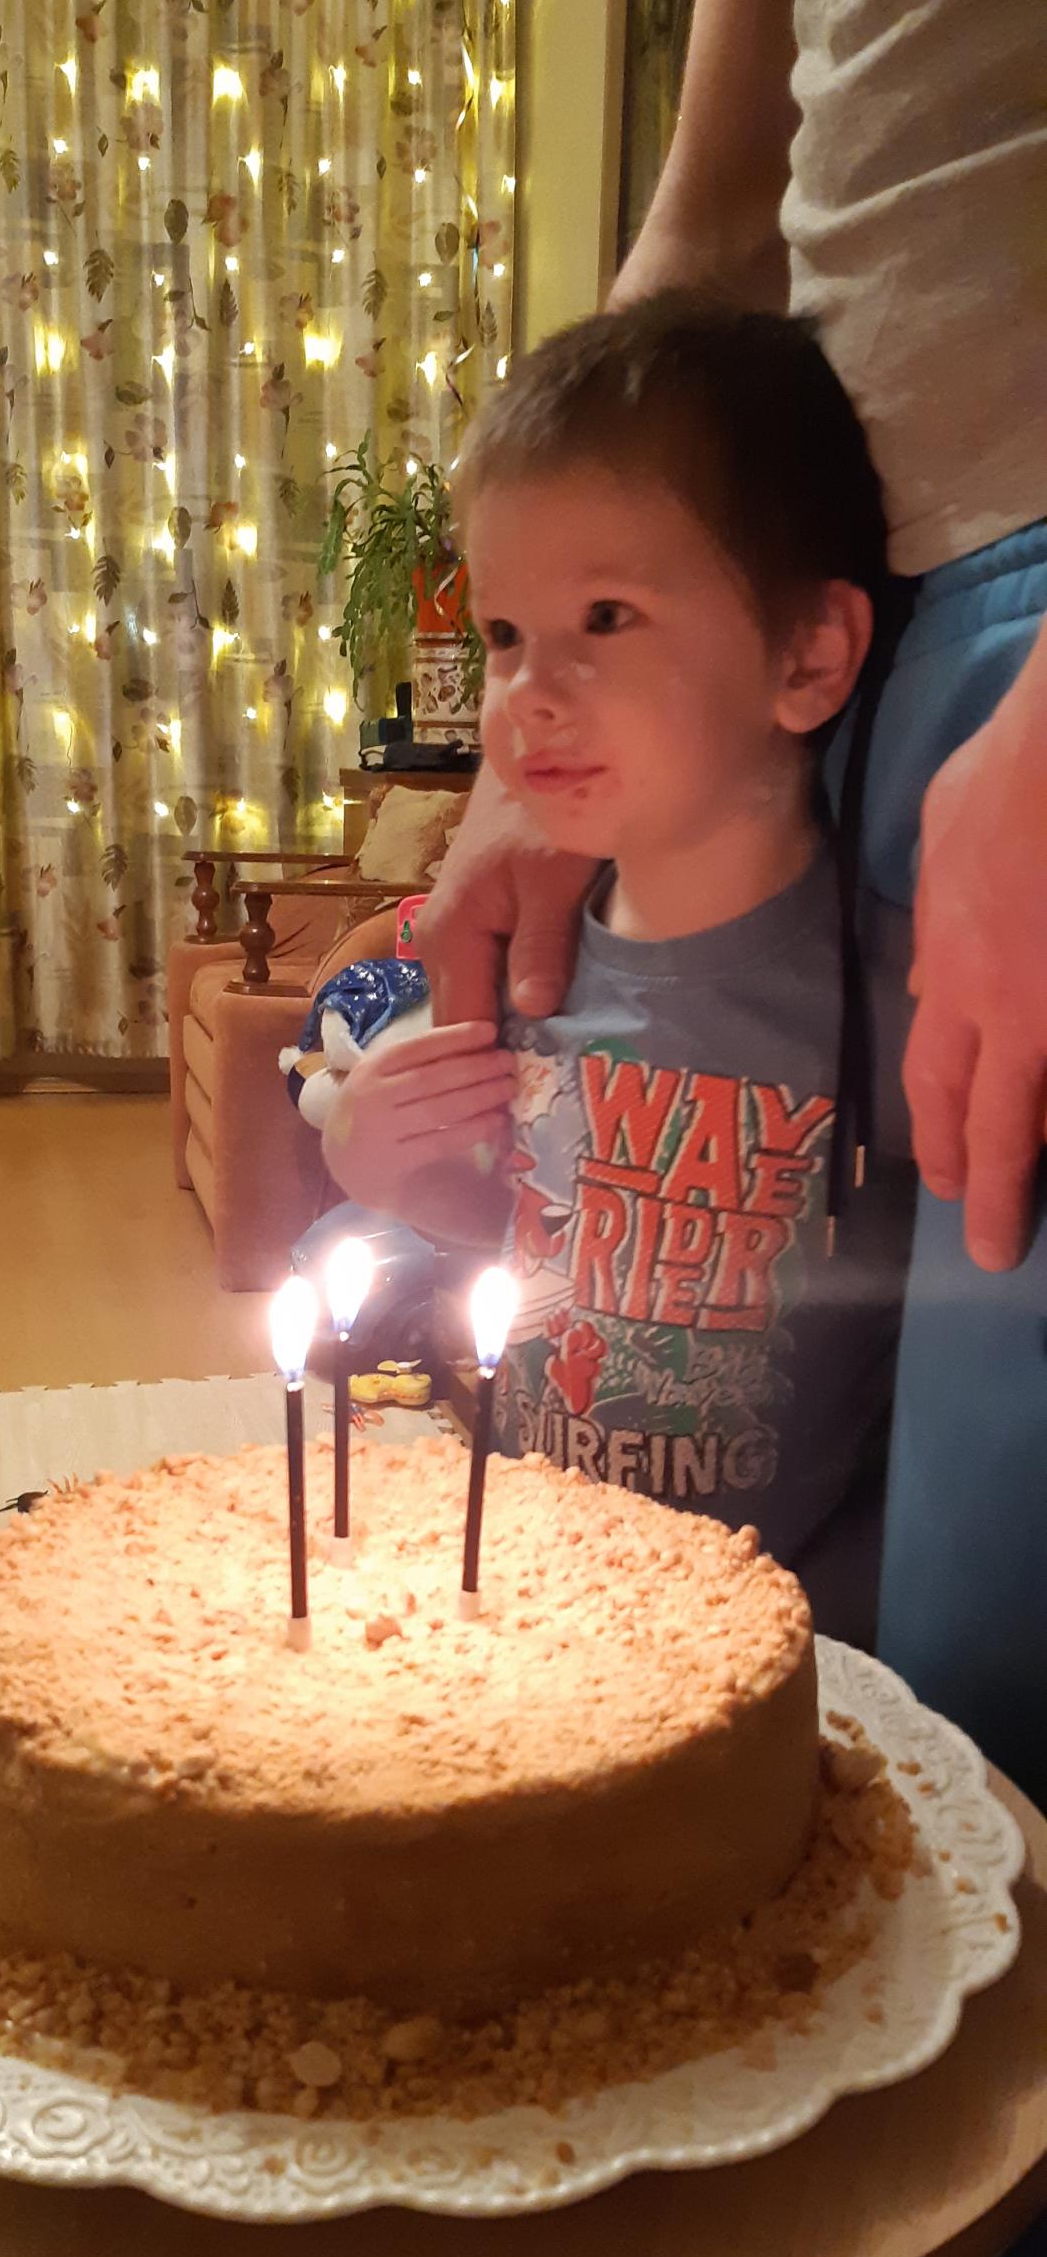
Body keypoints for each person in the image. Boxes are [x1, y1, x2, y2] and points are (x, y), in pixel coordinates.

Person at [413, 0, 1047, 2257]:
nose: (525, 673)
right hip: (871, 626)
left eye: (577, 625)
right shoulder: (626, 821)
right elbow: (715, 203)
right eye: (500, 631)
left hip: (1014, 638)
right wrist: (526, 748)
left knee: (991, 1710)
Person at [325, 292, 916, 1644]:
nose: (527, 694)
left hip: (771, 1648)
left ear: (808, 654)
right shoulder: (523, 974)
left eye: (606, 615)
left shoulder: (897, 995)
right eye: (504, 634)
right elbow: (530, 1234)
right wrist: (378, 1165)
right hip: (540, 1605)